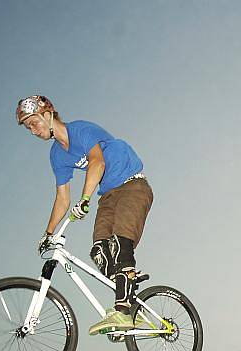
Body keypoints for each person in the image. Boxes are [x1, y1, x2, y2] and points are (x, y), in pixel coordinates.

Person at [16, 95, 153, 335]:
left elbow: (97, 163)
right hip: (108, 195)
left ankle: (122, 311)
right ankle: (132, 303)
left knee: (120, 244)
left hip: (132, 185)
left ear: (48, 114)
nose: (32, 131)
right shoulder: (57, 155)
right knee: (100, 252)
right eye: (28, 128)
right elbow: (62, 199)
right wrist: (48, 234)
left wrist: (86, 199)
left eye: (34, 123)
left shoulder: (80, 129)